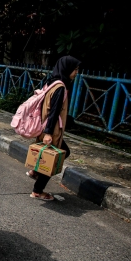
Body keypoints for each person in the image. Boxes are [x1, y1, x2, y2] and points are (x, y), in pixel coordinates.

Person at [27, 56, 81, 201]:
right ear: (67, 69)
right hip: (52, 129)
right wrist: (49, 133)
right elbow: (54, 111)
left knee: (52, 155)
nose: (76, 72)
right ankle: (37, 191)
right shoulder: (60, 87)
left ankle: (35, 172)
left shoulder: (51, 82)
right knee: (52, 158)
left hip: (42, 125)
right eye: (75, 69)